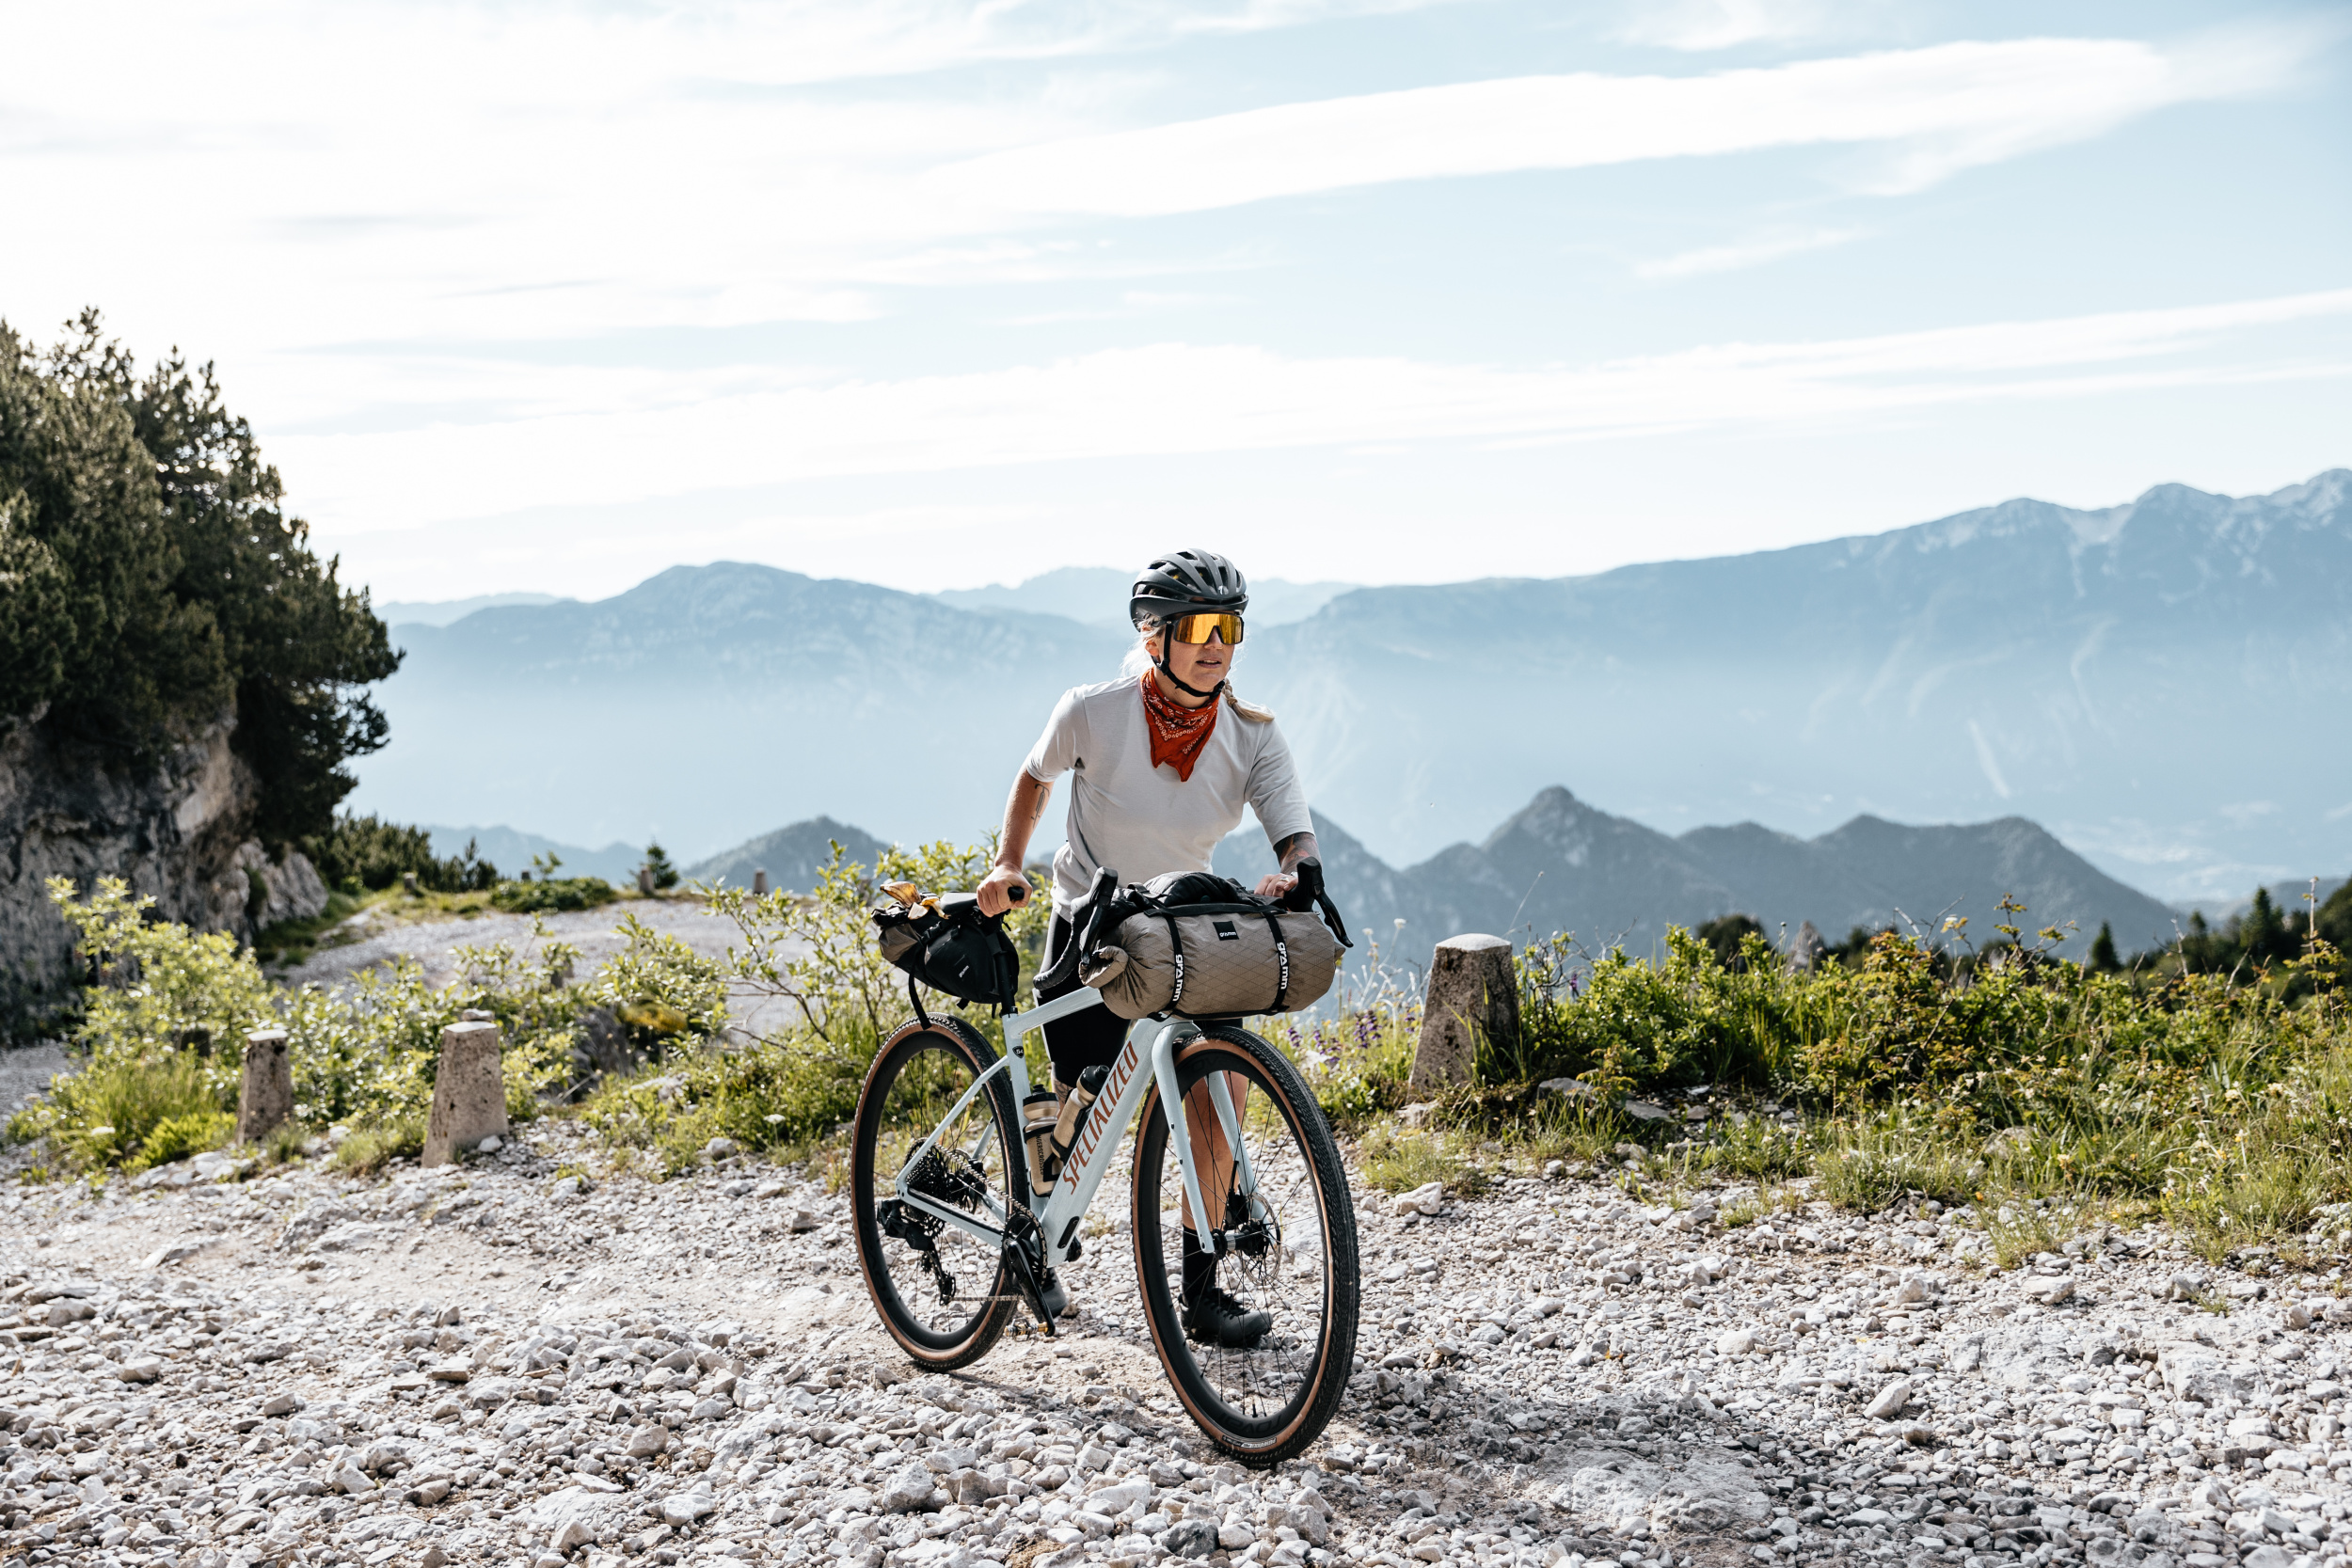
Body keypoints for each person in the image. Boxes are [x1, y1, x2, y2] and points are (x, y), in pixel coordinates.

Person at [975, 549, 1319, 1348]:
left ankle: (1202, 1288)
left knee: (1217, 1090)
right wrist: (1007, 863)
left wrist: (1297, 869)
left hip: (1179, 932)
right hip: (1091, 926)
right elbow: (1034, 777)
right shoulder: (1093, 712)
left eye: (1230, 627)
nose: (1218, 644)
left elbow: (1293, 832)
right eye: (1200, 627)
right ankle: (1034, 1230)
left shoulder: (1251, 735)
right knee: (1070, 1128)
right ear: (1154, 635)